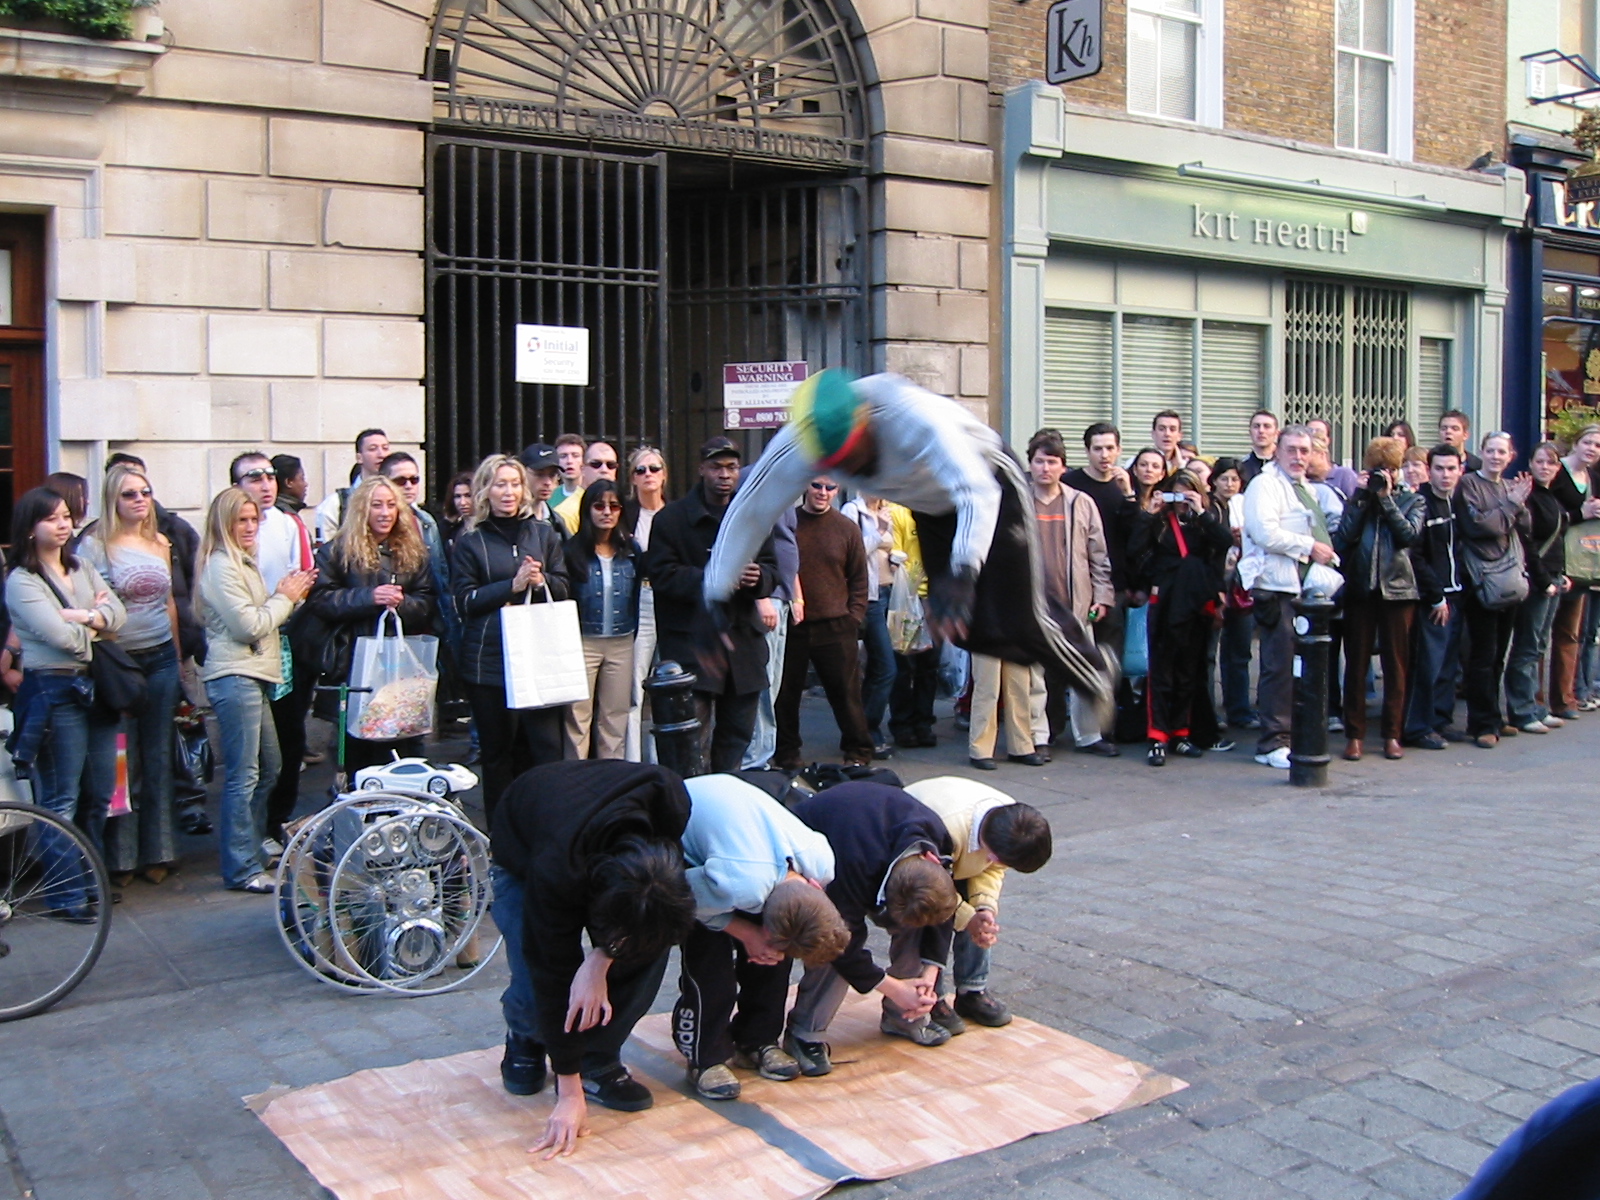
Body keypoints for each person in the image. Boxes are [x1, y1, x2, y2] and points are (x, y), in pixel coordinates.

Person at [706, 371, 1111, 713]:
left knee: (1022, 615)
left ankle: (1094, 671)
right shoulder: (796, 447)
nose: (849, 469)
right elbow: (749, 513)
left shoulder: (912, 415)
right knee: (965, 630)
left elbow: (977, 492)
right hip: (932, 509)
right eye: (836, 464)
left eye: (852, 454)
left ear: (865, 422)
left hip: (990, 483)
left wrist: (964, 571)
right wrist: (716, 597)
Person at [488, 760, 696, 1158]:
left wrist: (604, 956)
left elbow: (655, 911)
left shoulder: (668, 800)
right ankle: (525, 1035)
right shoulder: (556, 869)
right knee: (534, 982)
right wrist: (568, 1093)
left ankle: (598, 1058)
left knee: (648, 947)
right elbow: (551, 969)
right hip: (524, 848)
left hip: (584, 823)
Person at [672, 773, 849, 1099]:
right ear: (762, 912)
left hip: (745, 845)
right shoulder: (739, 884)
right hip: (685, 826)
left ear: (815, 887)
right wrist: (745, 931)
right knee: (709, 962)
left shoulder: (823, 863)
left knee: (775, 957)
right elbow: (679, 897)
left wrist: (768, 943)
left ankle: (756, 1040)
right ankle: (705, 1057)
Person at [5, 487, 126, 917]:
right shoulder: (22, 580)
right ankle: (66, 895)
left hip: (95, 688)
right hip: (53, 690)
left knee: (99, 793)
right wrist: (95, 621)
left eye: (65, 517)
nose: (63, 525)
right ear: (30, 527)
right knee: (60, 798)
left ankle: (91, 881)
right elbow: (62, 640)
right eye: (51, 518)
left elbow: (118, 616)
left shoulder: (82, 566)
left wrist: (82, 617)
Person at [784, 780, 960, 1072]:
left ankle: (903, 1016)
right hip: (824, 853)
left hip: (873, 839)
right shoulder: (852, 863)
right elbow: (841, 944)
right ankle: (805, 1033)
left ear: (933, 860)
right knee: (831, 942)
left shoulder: (937, 837)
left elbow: (944, 911)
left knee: (920, 923)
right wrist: (893, 987)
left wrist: (929, 976)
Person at [196, 487, 314, 892]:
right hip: (235, 675)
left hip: (253, 674)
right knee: (244, 775)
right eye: (241, 521)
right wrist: (285, 597)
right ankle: (241, 865)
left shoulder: (240, 563)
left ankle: (251, 848)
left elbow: (262, 616)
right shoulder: (220, 566)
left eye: (253, 520)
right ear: (223, 524)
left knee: (270, 766)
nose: (249, 527)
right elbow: (249, 625)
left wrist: (287, 596)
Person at [646, 437, 779, 772]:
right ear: (701, 469)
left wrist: (758, 577)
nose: (725, 474)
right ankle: (692, 800)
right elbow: (661, 575)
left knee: (737, 738)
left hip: (743, 645)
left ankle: (725, 792)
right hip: (692, 644)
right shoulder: (671, 519)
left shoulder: (753, 517)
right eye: (716, 467)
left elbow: (773, 569)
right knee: (691, 742)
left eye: (731, 467)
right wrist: (712, 578)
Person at [451, 454, 569, 824]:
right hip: (489, 662)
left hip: (538, 657)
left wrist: (542, 581)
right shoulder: (470, 541)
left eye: (515, 484)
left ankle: (543, 824)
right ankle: (502, 832)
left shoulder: (544, 533)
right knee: (498, 754)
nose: (509, 492)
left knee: (544, 750)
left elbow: (565, 586)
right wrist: (511, 586)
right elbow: (464, 601)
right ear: (485, 490)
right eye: (500, 484)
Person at [82, 464, 183, 886]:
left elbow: (170, 603)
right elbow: (92, 607)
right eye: (129, 494)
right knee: (121, 759)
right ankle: (120, 857)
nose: (140, 500)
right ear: (112, 500)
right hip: (118, 662)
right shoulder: (94, 546)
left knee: (158, 756)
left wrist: (178, 659)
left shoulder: (160, 542)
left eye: (145, 492)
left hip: (160, 656)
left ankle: (159, 851)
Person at [302, 476, 436, 773]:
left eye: (391, 505)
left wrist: (401, 603)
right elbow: (320, 600)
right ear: (362, 509)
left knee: (406, 747)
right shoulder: (337, 551)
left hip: (400, 663)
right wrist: (369, 597)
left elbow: (427, 602)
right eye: (377, 505)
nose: (385, 513)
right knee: (358, 752)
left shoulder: (413, 551)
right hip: (353, 662)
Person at [902, 776, 1051, 1032]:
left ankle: (972, 990)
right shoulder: (944, 828)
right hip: (917, 862)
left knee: (981, 921)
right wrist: (966, 917)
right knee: (927, 919)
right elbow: (931, 888)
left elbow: (992, 868)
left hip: (955, 854)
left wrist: (984, 907)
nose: (1000, 864)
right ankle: (931, 994)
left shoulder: (1013, 824)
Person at [1239, 425, 1340, 769]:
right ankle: (1272, 742)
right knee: (1279, 667)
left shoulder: (1305, 488)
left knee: (1299, 667)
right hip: (1275, 587)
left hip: (1302, 588)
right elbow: (1264, 532)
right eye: (1292, 450)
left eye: (1304, 450)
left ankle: (1292, 735)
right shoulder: (1265, 484)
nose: (1298, 457)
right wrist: (1309, 546)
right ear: (1278, 451)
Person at [230, 453, 316, 854]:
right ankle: (247, 833)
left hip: (286, 640)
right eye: (254, 477)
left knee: (289, 737)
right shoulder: (226, 530)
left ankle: (277, 819)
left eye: (270, 476)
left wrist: (288, 603)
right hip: (246, 646)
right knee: (253, 755)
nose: (265, 484)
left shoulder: (288, 524)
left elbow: (303, 579)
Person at [1129, 468, 1231, 766]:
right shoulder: (1160, 523)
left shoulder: (1203, 522)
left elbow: (1224, 542)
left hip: (1196, 605)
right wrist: (1149, 514)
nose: (1182, 501)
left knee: (1189, 673)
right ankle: (1157, 736)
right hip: (1166, 603)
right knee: (1161, 672)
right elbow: (1134, 551)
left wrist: (1201, 512)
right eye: (1177, 494)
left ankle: (1181, 732)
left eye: (1188, 493)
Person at [1332, 437, 1424, 762]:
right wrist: (1360, 498)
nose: (1385, 475)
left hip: (1398, 590)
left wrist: (1386, 500)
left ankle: (1392, 734)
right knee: (1356, 664)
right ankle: (1354, 735)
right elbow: (1342, 538)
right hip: (1361, 589)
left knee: (1395, 666)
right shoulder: (1358, 499)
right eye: (1379, 469)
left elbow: (1408, 535)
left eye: (1392, 469)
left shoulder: (1413, 500)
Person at [1026, 431, 1116, 757]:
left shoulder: (1081, 503)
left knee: (1082, 669)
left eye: (1052, 462)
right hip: (1033, 604)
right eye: (1039, 461)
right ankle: (1038, 736)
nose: (1045, 468)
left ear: (1063, 467)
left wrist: (1102, 596)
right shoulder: (1018, 501)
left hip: (1075, 604)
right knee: (1035, 676)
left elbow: (1098, 555)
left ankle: (1089, 735)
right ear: (1030, 464)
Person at [776, 475, 873, 769]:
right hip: (793, 624)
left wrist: (853, 617)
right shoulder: (788, 522)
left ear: (837, 490)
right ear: (805, 486)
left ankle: (858, 751)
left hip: (836, 625)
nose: (823, 492)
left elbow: (859, 578)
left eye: (830, 487)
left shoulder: (846, 528)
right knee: (785, 694)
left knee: (846, 694)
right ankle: (787, 753)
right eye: (817, 485)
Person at [1456, 432, 1532, 749]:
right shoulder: (1469, 484)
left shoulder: (1509, 486)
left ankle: (1495, 716)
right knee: (1482, 655)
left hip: (1508, 577)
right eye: (1490, 451)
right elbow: (1479, 527)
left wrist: (1517, 505)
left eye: (1502, 452)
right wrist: (1511, 505)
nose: (1496, 457)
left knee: (1500, 654)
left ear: (1511, 456)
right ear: (1482, 452)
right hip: (1481, 579)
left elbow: (1525, 526)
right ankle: (1481, 723)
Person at [559, 480, 640, 760]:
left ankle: (612, 775)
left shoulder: (631, 550)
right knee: (577, 716)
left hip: (621, 641)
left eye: (614, 506)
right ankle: (576, 776)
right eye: (599, 506)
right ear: (587, 510)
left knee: (615, 716)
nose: (607, 512)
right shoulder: (571, 551)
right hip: (582, 640)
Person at [1403, 445, 1468, 749]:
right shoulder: (1422, 503)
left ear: (1460, 470)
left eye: (1451, 468)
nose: (1445, 475)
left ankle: (1440, 721)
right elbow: (1415, 555)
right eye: (1439, 469)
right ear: (1429, 471)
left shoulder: (1458, 501)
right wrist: (1435, 596)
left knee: (1448, 666)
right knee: (1428, 665)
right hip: (1434, 598)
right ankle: (1418, 727)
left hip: (1458, 594)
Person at [1507, 442, 1571, 735]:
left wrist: (1562, 574)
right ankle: (1521, 710)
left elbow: (1557, 541)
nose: (1545, 467)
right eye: (1540, 461)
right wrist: (1543, 579)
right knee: (1527, 645)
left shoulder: (1551, 496)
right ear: (1530, 463)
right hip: (1536, 580)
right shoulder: (1528, 496)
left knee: (1539, 646)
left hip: (1554, 577)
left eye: (1551, 462)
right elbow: (1527, 541)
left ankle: (1535, 706)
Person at [1547, 423, 1600, 720]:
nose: (1592, 449)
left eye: (1598, 445)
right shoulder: (1557, 473)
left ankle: (1566, 698)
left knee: (1573, 633)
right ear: (1576, 443)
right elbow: (1546, 516)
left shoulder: (1592, 477)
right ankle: (1536, 701)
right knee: (1540, 637)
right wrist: (1581, 513)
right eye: (1588, 442)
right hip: (1554, 561)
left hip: (1583, 563)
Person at [840, 492, 898, 759]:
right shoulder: (853, 511)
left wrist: (894, 558)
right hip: (868, 599)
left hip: (889, 593)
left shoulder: (885, 510)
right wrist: (880, 530)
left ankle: (859, 730)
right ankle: (866, 731)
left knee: (877, 666)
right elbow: (852, 553)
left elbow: (885, 549)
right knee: (886, 667)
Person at [624, 445, 668, 761]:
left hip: (671, 599)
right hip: (639, 597)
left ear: (664, 475)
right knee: (634, 684)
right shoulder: (626, 516)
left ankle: (661, 759)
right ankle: (632, 760)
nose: (648, 474)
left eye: (654, 468)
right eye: (641, 470)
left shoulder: (676, 513)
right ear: (632, 478)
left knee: (668, 682)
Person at [885, 499, 939, 749]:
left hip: (935, 599)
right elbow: (897, 557)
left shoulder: (940, 513)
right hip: (905, 599)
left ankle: (924, 723)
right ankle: (902, 724)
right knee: (903, 666)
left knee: (930, 666)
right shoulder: (899, 513)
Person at [1210, 457, 1256, 731]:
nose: (1229, 484)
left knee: (1239, 651)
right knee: (1209, 653)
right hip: (1215, 586)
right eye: (1224, 478)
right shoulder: (1209, 508)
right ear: (1214, 480)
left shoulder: (1244, 505)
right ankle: (1209, 713)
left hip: (1241, 586)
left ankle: (1239, 709)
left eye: (1234, 479)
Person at [314, 428, 389, 543]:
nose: (381, 454)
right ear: (359, 457)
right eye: (373, 449)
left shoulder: (402, 498)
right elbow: (326, 549)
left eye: (385, 448)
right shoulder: (335, 504)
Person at [554, 440, 619, 533]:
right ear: (582, 469)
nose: (604, 470)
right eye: (596, 464)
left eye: (611, 465)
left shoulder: (623, 506)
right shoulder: (567, 513)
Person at [1306, 418, 1360, 498]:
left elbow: (1357, 502)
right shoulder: (1301, 477)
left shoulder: (1343, 475)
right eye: (1309, 431)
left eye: (1319, 432)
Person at [1238, 410, 1278, 486]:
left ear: (1276, 432)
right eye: (1256, 426)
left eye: (1267, 426)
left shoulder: (1285, 465)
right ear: (1250, 432)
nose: (1261, 431)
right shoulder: (1240, 467)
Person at [442, 470, 475, 548]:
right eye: (457, 496)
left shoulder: (489, 528)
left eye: (468, 495)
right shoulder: (453, 529)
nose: (462, 502)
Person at [551, 433, 586, 507]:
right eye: (563, 456)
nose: (569, 461)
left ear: (583, 461)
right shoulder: (550, 496)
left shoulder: (592, 494)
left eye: (575, 456)